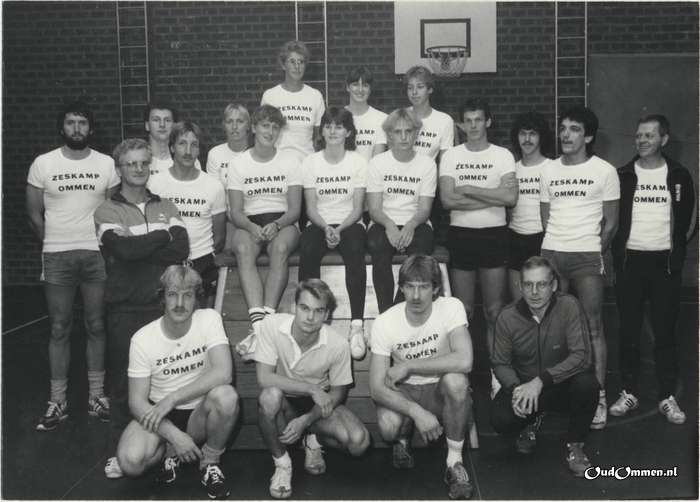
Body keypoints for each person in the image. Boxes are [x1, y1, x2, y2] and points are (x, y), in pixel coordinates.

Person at [94, 138, 189, 478]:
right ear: (119, 169)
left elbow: (181, 248)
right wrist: (162, 236)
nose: (138, 169)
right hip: (125, 308)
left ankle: (166, 445)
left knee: (167, 378)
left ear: (150, 166)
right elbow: (123, 252)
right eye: (130, 163)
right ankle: (118, 450)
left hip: (160, 307)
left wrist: (140, 244)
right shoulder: (107, 210)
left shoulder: (166, 205)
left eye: (143, 163)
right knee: (124, 382)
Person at [27, 100, 120, 431]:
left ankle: (97, 396)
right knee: (59, 327)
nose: (76, 128)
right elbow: (34, 214)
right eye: (71, 123)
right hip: (57, 255)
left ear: (90, 129)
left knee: (96, 325)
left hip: (96, 254)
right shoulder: (43, 163)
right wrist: (54, 242)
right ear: (62, 127)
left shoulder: (106, 164)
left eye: (82, 123)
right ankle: (58, 401)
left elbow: (113, 211)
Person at [115, 265, 238, 500]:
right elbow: (136, 403)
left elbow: (224, 373)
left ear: (197, 298)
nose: (179, 303)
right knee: (130, 462)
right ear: (162, 297)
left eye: (187, 295)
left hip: (200, 413)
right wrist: (173, 435)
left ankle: (209, 462)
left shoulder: (209, 319)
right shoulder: (143, 339)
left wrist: (172, 399)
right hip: (160, 414)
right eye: (172, 294)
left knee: (226, 396)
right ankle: (168, 453)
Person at [610, 115, 697, 424]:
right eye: (638, 135)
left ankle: (667, 396)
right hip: (630, 263)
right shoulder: (622, 175)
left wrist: (673, 252)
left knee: (665, 333)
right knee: (629, 331)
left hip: (664, 266)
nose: (642, 140)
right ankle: (629, 391)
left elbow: (688, 222)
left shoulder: (679, 175)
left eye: (649, 135)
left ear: (664, 139)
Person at [539, 106, 619, 430]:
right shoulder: (548, 170)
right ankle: (549, 395)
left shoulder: (605, 171)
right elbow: (545, 217)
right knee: (549, 327)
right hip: (553, 253)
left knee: (592, 327)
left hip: (586, 254)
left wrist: (590, 248)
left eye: (574, 129)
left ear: (588, 136)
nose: (565, 134)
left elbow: (611, 224)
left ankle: (598, 397)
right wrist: (558, 243)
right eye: (563, 128)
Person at [369, 255, 474, 500]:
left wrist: (409, 365)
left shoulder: (451, 307)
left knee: (457, 382)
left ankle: (454, 462)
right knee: (388, 427)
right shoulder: (385, 322)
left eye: (424, 286)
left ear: (435, 288)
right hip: (406, 392)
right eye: (410, 286)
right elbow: (376, 387)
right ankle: (402, 439)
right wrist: (417, 412)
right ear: (401, 288)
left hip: (439, 390)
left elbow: (465, 360)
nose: (416, 296)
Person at [254, 279, 370, 499]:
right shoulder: (271, 326)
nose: (310, 317)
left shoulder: (338, 344)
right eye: (304, 308)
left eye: (318, 311)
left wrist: (307, 420)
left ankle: (312, 441)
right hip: (284, 401)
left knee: (359, 442)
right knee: (269, 396)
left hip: (317, 407)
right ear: (294, 307)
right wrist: (311, 389)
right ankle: (282, 464)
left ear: (327, 315)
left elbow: (338, 393)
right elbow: (264, 378)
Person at [490, 256, 599, 478]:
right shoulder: (507, 316)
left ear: (554, 285)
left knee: (588, 384)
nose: (534, 292)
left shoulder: (569, 306)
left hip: (561, 385)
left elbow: (582, 356)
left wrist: (541, 381)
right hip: (526, 387)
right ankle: (530, 422)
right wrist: (515, 389)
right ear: (520, 286)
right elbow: (500, 363)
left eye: (542, 284)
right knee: (500, 420)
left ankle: (575, 444)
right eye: (528, 284)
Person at [439, 98, 518, 395]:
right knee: (464, 311)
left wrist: (470, 189)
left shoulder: (503, 155)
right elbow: (448, 200)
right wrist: (492, 195)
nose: (473, 126)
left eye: (478, 119)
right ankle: (464, 378)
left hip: (494, 235)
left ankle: (498, 376)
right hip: (461, 235)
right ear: (461, 124)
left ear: (488, 122)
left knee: (495, 311)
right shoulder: (451, 156)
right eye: (468, 120)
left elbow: (510, 198)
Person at [227, 105, 302, 356]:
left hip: (283, 221)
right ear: (253, 128)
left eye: (275, 127)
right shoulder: (238, 164)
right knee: (242, 247)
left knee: (279, 248)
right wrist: (251, 226)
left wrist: (278, 224)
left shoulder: (290, 161)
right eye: (265, 125)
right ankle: (260, 328)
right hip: (249, 222)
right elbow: (235, 211)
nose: (270, 131)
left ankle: (266, 321)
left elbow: (295, 209)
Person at [298, 108, 369, 360]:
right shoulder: (310, 162)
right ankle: (311, 324)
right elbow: (310, 208)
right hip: (319, 222)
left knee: (355, 249)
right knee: (307, 249)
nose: (333, 131)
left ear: (348, 132)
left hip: (350, 223)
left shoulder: (358, 162)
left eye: (339, 126)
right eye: (328, 126)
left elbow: (358, 209)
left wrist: (339, 229)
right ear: (322, 130)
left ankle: (357, 325)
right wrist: (326, 227)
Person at [148, 122, 227, 306]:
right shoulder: (155, 184)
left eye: (194, 145)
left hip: (201, 264)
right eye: (182, 143)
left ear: (199, 150)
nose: (188, 151)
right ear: (172, 147)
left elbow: (219, 237)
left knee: (200, 319)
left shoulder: (214, 186)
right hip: (165, 264)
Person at [366, 108, 437, 314]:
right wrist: (390, 226)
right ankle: (385, 313)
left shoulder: (427, 164)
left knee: (420, 252)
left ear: (416, 134)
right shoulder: (378, 163)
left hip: (416, 221)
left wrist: (410, 225)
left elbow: (425, 209)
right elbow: (374, 209)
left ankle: (398, 309)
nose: (404, 137)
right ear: (389, 135)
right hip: (383, 220)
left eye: (409, 131)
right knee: (378, 246)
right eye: (398, 132)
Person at [507, 111, 553, 301]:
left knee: (544, 301)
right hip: (515, 238)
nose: (527, 139)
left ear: (541, 137)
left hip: (543, 238)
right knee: (518, 301)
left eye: (532, 134)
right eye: (522, 134)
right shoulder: (511, 169)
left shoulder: (553, 167)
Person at [261, 40, 325, 163]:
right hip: (278, 163)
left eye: (301, 62)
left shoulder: (315, 96)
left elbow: (319, 138)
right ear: (283, 65)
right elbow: (263, 134)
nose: (297, 66)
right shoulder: (270, 96)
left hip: (306, 163)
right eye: (292, 61)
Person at [404, 65, 454, 162]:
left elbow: (445, 162)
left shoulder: (445, 121)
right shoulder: (400, 116)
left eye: (420, 87)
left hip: (428, 171)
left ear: (430, 89)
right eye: (410, 88)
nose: (414, 92)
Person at [143, 101, 201, 176]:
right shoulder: (138, 160)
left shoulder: (189, 161)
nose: (162, 125)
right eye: (156, 120)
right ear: (147, 125)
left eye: (167, 120)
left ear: (174, 125)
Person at [344, 66, 388, 162]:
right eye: (355, 84)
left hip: (371, 171)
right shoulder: (337, 117)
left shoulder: (382, 119)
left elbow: (377, 161)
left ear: (370, 89)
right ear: (347, 87)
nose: (360, 90)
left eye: (365, 85)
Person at [206, 102, 251, 186]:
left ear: (248, 125)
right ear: (224, 125)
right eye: (229, 121)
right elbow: (215, 190)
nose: (234, 127)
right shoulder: (215, 154)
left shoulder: (256, 152)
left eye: (240, 121)